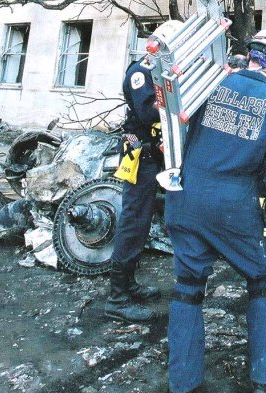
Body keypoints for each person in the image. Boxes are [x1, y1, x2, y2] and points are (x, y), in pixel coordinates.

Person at [164, 26, 266, 393]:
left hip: (186, 197)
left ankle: (182, 387)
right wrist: (265, 193)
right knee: (262, 281)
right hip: (234, 204)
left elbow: (178, 127)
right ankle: (265, 383)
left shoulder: (210, 85)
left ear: (249, 53)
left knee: (187, 287)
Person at [104, 57, 162, 323]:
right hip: (137, 149)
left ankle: (128, 284)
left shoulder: (154, 71)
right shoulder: (141, 71)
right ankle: (117, 298)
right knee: (133, 221)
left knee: (141, 221)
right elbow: (148, 112)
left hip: (145, 148)